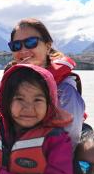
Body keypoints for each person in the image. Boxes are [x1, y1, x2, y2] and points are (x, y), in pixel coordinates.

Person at [7, 18, 85, 147]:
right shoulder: (13, 83)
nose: (23, 49)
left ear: (48, 46)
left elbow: (69, 145)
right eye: (16, 45)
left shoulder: (65, 90)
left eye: (31, 42)